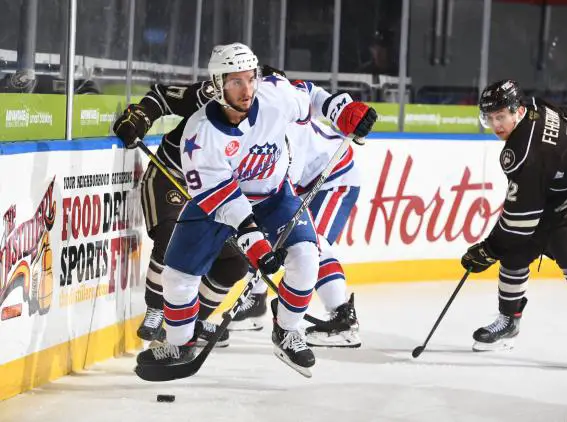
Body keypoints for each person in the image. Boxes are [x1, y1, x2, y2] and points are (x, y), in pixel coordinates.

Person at [133, 43, 376, 376]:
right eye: (236, 81)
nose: (247, 89)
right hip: (218, 205)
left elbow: (311, 97)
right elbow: (226, 201)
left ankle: (287, 331)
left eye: (250, 79)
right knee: (178, 276)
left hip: (274, 197)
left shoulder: (275, 96)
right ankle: (179, 342)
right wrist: (258, 247)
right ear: (218, 84)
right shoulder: (199, 135)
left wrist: (341, 110)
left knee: (307, 254)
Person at [461, 79, 567, 364]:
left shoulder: (522, 152)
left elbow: (519, 223)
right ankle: (509, 321)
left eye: (501, 116)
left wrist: (488, 250)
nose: (496, 125)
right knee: (516, 250)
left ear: (517, 111)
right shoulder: (537, 105)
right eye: (490, 118)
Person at [113, 80, 247, 349]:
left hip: (212, 193)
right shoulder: (209, 95)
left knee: (235, 261)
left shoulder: (266, 121)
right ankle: (156, 310)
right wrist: (139, 118)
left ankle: (191, 321)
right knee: (171, 236)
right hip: (170, 177)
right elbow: (162, 96)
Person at [232, 79, 362, 348]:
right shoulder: (255, 116)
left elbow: (281, 185)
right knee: (264, 234)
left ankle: (342, 319)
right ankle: (255, 302)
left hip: (333, 177)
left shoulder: (282, 120)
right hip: (301, 182)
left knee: (312, 245)